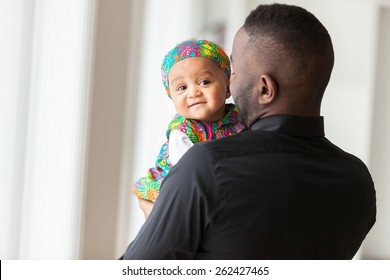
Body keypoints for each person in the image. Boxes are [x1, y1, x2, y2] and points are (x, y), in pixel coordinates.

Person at [122, 3, 376, 259]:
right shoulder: (358, 182)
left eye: (234, 72)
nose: (230, 82)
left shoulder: (206, 166)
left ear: (265, 89)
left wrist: (155, 221)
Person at [133, 39, 245, 217]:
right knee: (171, 208)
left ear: (228, 87)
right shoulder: (182, 130)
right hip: (180, 181)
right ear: (171, 96)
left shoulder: (238, 118)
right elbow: (188, 169)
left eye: (204, 82)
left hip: (220, 180)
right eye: (182, 87)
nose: (194, 93)